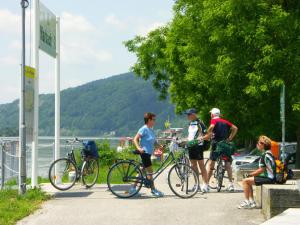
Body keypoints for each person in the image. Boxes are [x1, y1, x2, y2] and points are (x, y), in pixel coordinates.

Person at [202, 108, 238, 192]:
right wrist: (230, 138)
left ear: (212, 114)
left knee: (211, 164)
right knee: (227, 163)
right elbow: (235, 128)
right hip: (225, 144)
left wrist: (208, 134)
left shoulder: (214, 120)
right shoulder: (225, 121)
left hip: (216, 144)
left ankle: (206, 185)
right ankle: (230, 184)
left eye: (211, 114)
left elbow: (211, 127)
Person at [131, 112, 164, 197]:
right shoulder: (144, 128)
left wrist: (160, 146)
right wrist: (139, 148)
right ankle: (153, 190)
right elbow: (135, 139)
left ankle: (133, 188)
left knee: (142, 170)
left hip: (148, 153)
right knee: (150, 171)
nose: (155, 121)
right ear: (149, 120)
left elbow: (154, 142)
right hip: (144, 153)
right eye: (153, 120)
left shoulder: (151, 129)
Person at [238, 135, 276, 209]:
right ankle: (252, 201)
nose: (257, 145)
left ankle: (247, 201)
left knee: (245, 181)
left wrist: (250, 174)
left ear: (263, 145)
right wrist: (251, 175)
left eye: (258, 143)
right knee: (249, 180)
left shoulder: (264, 155)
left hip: (269, 178)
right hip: (270, 177)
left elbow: (261, 170)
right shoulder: (269, 153)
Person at [184, 108, 209, 192]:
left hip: (198, 147)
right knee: (193, 166)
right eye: (187, 115)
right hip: (191, 146)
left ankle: (205, 185)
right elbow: (190, 136)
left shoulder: (200, 123)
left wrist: (199, 139)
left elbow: (207, 135)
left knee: (201, 165)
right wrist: (184, 141)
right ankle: (197, 184)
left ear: (194, 114)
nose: (187, 116)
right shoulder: (190, 123)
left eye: (189, 114)